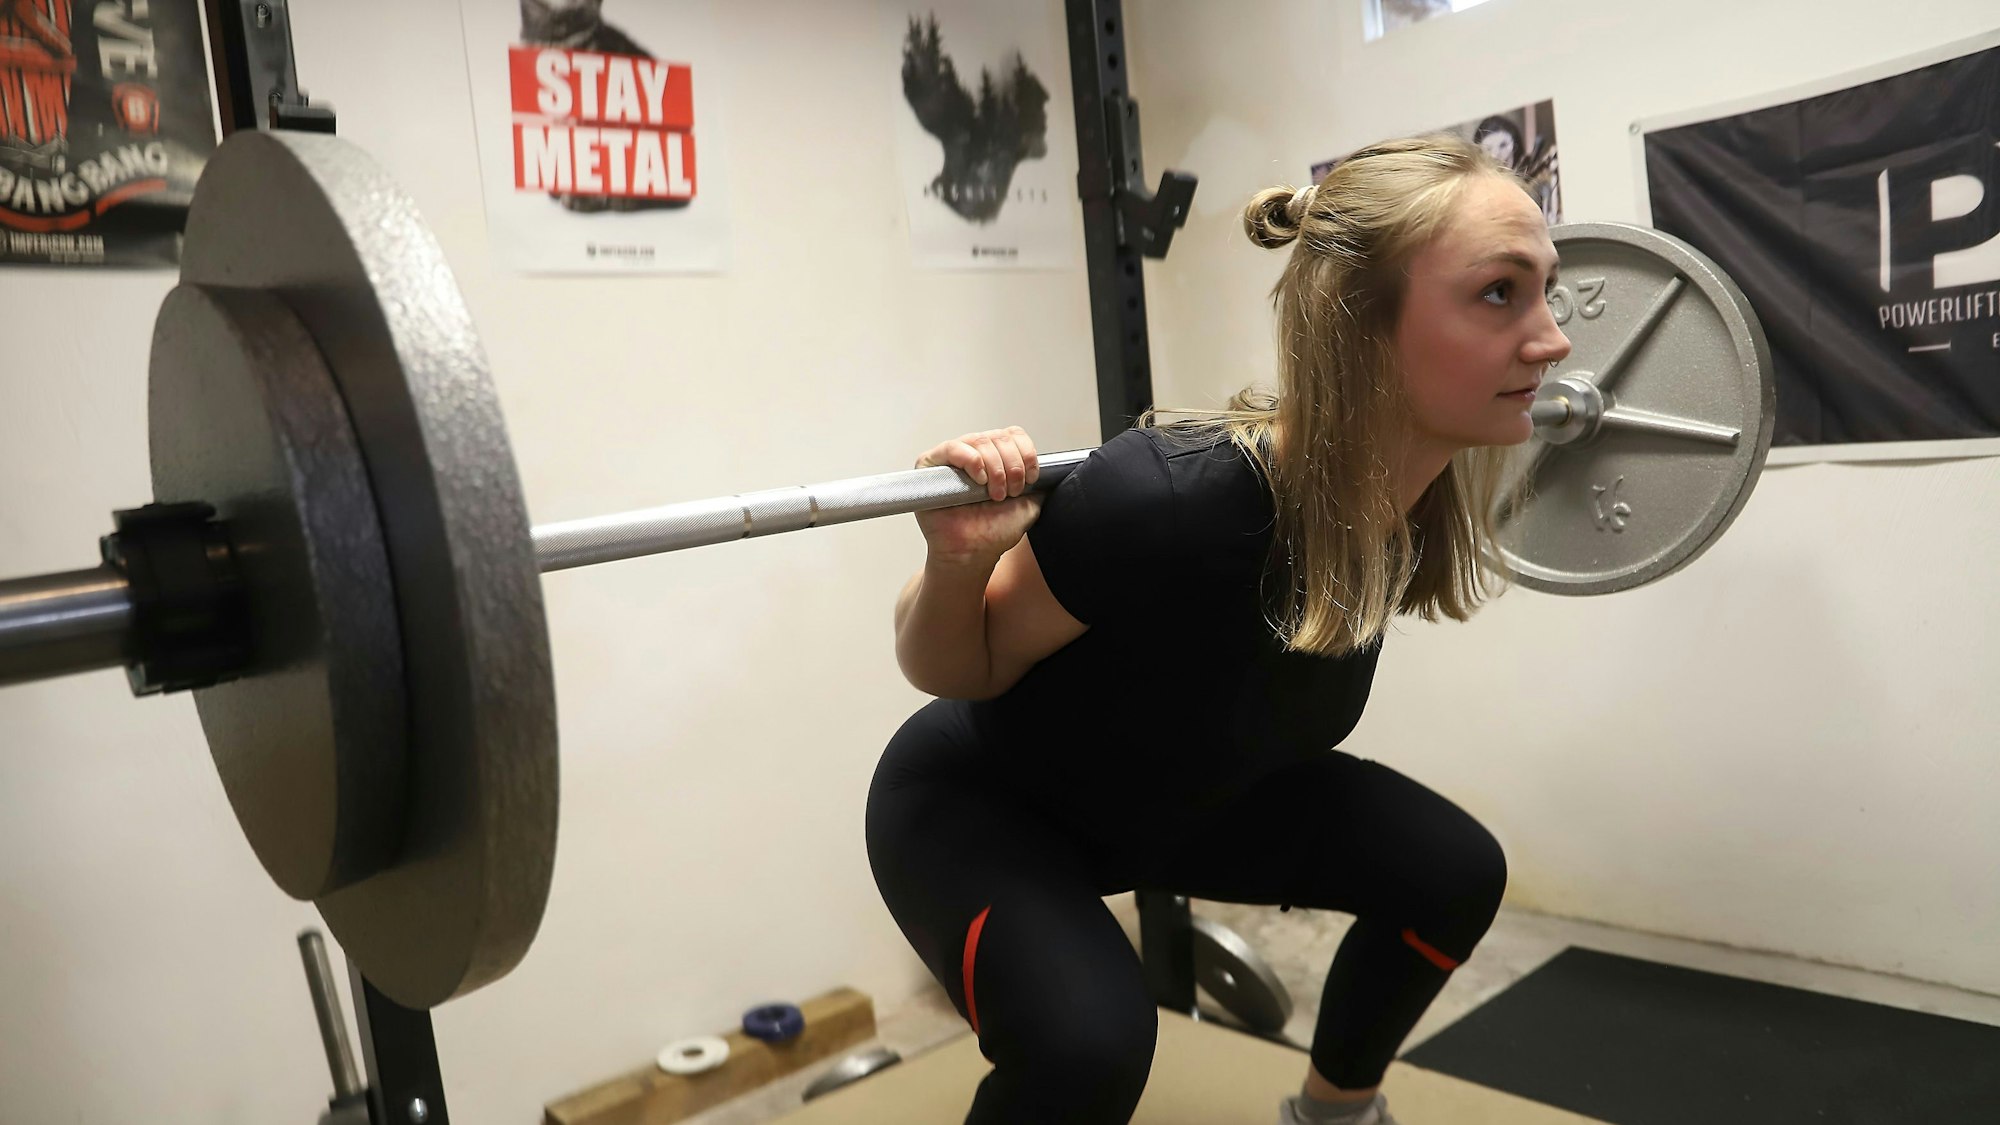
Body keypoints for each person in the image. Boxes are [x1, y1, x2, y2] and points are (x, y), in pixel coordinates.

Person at [867, 132, 1571, 1125]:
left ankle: (1334, 1117)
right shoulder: (1166, 501)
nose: (1551, 337)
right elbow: (948, 663)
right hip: (991, 809)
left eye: (1546, 289)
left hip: (1188, 803)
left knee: (1449, 873)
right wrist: (956, 556)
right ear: (1358, 323)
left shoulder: (1415, 499)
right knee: (1089, 1047)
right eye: (1499, 293)